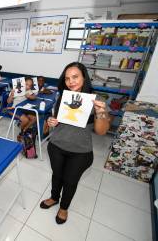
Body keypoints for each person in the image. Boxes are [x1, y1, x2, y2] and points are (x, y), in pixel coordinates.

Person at [40, 62, 109, 224]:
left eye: (75, 77)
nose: (71, 81)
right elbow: (57, 119)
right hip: (56, 145)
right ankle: (54, 197)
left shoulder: (95, 99)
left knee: (70, 181)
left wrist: (101, 112)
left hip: (80, 152)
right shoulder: (63, 96)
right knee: (57, 175)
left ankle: (64, 208)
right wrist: (52, 121)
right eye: (67, 78)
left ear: (84, 77)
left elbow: (101, 131)